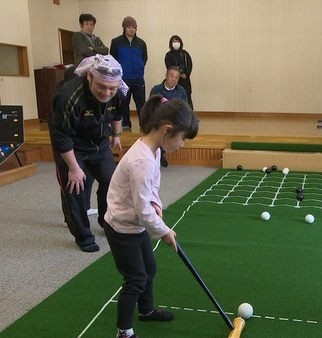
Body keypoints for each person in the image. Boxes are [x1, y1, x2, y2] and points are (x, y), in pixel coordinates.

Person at [104, 95, 198, 338]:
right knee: (135, 279)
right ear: (168, 130)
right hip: (122, 228)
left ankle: (146, 311)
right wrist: (164, 231)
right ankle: (124, 332)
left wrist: (156, 205)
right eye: (182, 138)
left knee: (149, 268)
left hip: (134, 224)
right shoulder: (142, 160)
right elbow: (143, 209)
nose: (182, 144)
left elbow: (149, 192)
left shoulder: (154, 150)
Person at [48, 54, 128, 252]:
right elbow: (62, 137)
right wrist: (74, 168)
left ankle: (105, 219)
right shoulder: (69, 97)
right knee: (76, 189)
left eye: (112, 88)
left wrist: (116, 135)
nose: (107, 92)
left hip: (99, 143)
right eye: (102, 87)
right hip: (71, 146)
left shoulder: (118, 93)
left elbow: (117, 114)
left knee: (112, 181)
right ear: (90, 76)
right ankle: (83, 236)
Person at [110, 16, 148, 130]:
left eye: (134, 27)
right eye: (129, 27)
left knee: (141, 103)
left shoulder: (141, 43)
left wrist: (140, 68)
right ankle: (126, 124)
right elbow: (113, 59)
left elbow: (144, 58)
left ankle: (144, 124)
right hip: (123, 78)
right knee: (124, 102)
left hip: (138, 78)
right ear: (124, 28)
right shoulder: (116, 42)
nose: (131, 29)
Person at [149, 67, 189, 167]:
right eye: (171, 76)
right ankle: (159, 154)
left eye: (176, 78)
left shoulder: (181, 91)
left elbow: (185, 108)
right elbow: (151, 107)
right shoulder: (156, 89)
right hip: (159, 118)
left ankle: (162, 152)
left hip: (175, 119)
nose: (173, 79)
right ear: (166, 76)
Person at [165, 35, 193, 108]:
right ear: (171, 43)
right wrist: (179, 74)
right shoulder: (168, 55)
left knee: (188, 99)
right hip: (173, 80)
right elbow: (169, 67)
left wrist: (186, 74)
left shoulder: (185, 54)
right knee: (174, 100)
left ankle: (191, 118)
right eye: (174, 41)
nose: (176, 43)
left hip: (185, 80)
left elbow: (190, 65)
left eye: (177, 41)